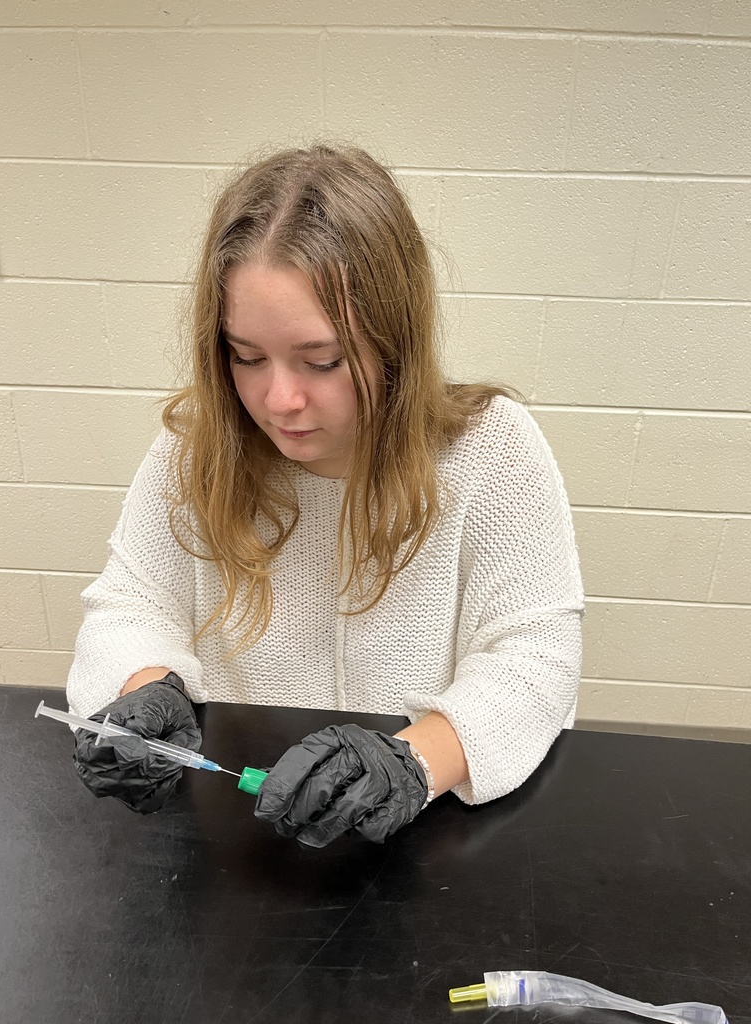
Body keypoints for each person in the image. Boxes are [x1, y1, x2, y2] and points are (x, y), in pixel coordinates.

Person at [68, 144, 584, 847]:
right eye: (246, 357)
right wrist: (144, 684)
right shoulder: (199, 449)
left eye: (322, 361)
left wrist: (413, 759)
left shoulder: (491, 451)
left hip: (422, 839)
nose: (279, 399)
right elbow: (132, 601)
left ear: (391, 340)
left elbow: (535, 652)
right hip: (237, 833)